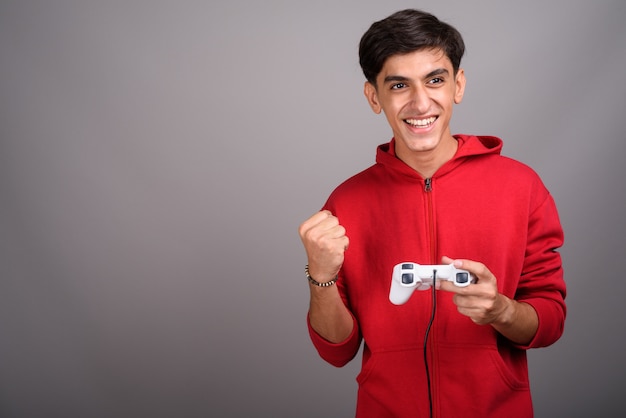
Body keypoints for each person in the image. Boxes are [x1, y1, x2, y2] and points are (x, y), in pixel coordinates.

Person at [297, 8, 566, 418]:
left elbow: (550, 321)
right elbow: (337, 352)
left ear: (458, 85)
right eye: (399, 85)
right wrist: (320, 276)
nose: (421, 103)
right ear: (374, 97)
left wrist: (500, 310)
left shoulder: (521, 186)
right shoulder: (346, 202)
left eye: (435, 80)